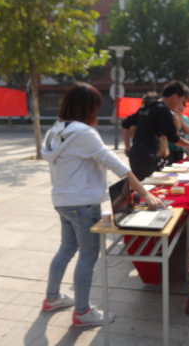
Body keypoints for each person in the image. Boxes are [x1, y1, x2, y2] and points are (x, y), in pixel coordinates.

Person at [41, 82, 164, 327]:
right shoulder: (83, 133)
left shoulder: (56, 130)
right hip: (83, 204)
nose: (96, 112)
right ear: (87, 108)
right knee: (88, 256)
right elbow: (118, 167)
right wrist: (146, 194)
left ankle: (52, 298)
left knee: (66, 249)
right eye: (95, 107)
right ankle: (82, 312)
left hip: (63, 201)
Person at [122, 80, 189, 180]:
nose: (180, 104)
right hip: (146, 157)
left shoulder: (149, 105)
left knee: (142, 184)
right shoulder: (163, 109)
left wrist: (127, 146)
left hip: (137, 155)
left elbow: (125, 123)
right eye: (181, 100)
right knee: (147, 187)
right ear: (174, 97)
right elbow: (173, 137)